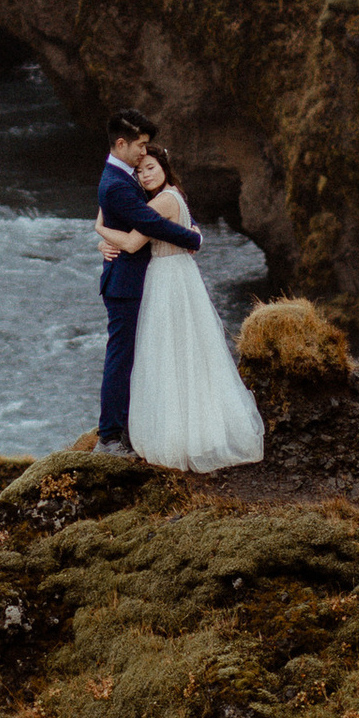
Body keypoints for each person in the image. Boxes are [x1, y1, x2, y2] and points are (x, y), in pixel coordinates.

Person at [95, 136, 265, 474]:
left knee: (167, 353)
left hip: (167, 278)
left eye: (151, 168)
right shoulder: (173, 196)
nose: (145, 175)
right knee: (185, 351)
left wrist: (100, 229)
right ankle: (190, 424)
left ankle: (175, 433)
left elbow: (131, 242)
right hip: (176, 276)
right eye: (140, 171)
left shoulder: (161, 202)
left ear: (164, 168)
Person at [92, 110, 201, 453]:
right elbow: (150, 224)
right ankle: (109, 436)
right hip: (126, 284)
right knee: (121, 359)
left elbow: (151, 210)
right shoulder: (116, 183)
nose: (144, 153)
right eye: (140, 145)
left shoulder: (124, 176)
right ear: (121, 144)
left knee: (144, 355)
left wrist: (101, 231)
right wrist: (192, 238)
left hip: (145, 278)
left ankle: (132, 427)